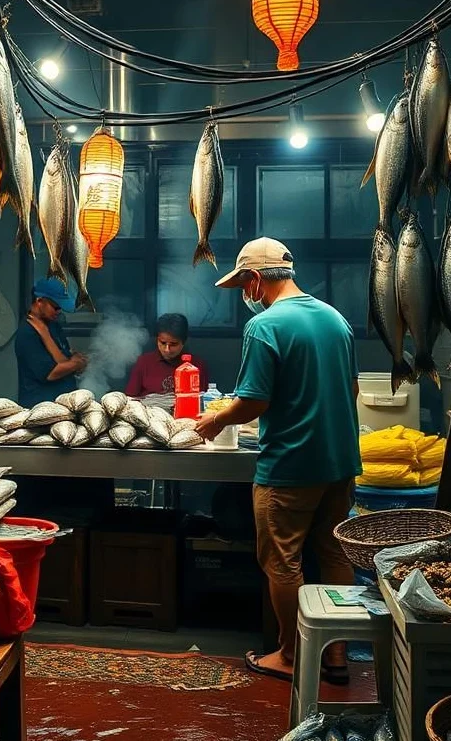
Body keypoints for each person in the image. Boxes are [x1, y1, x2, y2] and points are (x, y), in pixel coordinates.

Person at [196, 238, 361, 684]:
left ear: (254, 281)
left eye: (242, 287)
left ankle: (290, 655)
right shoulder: (336, 320)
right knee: (333, 554)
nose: (244, 296)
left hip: (290, 465)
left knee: (283, 561)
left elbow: (252, 402)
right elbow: (353, 393)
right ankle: (337, 655)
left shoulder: (265, 326)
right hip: (341, 461)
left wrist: (214, 419)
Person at [15, 278, 88, 407]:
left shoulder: (53, 325)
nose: (59, 311)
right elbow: (51, 373)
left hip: (63, 404)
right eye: (55, 307)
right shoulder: (27, 332)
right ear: (39, 301)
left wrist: (73, 361)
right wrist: (76, 363)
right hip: (40, 406)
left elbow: (65, 358)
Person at [125, 313, 209, 398]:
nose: (167, 349)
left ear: (183, 342)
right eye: (163, 343)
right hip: (150, 409)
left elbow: (202, 401)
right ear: (157, 339)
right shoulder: (144, 362)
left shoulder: (196, 366)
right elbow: (131, 399)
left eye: (173, 344)